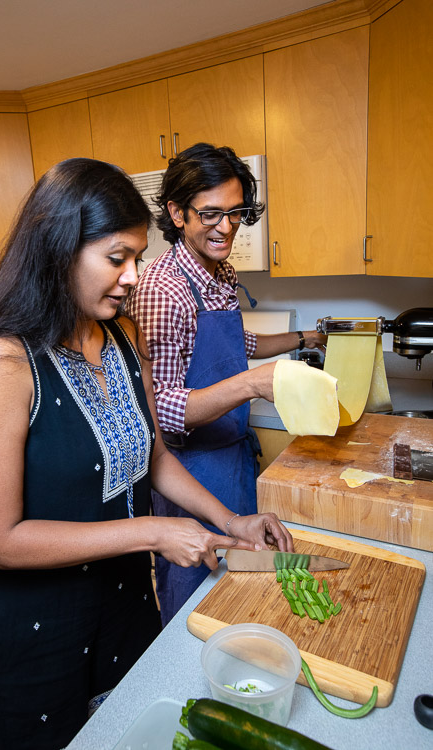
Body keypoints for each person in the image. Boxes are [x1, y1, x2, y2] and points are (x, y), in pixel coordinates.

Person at [0, 157, 293, 750]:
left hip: (120, 602)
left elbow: (150, 453)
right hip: (36, 624)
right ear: (58, 251)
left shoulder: (123, 335)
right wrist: (154, 532)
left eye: (138, 257)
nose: (132, 277)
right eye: (115, 258)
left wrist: (231, 520)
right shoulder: (1, 365)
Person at [126, 143, 325, 626]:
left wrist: (306, 337)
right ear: (177, 213)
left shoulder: (219, 271)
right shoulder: (162, 289)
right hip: (188, 470)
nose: (227, 227)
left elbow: (235, 343)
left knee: (241, 596)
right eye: (211, 214)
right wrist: (252, 385)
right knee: (194, 607)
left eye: (236, 213)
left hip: (233, 457)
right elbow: (164, 413)